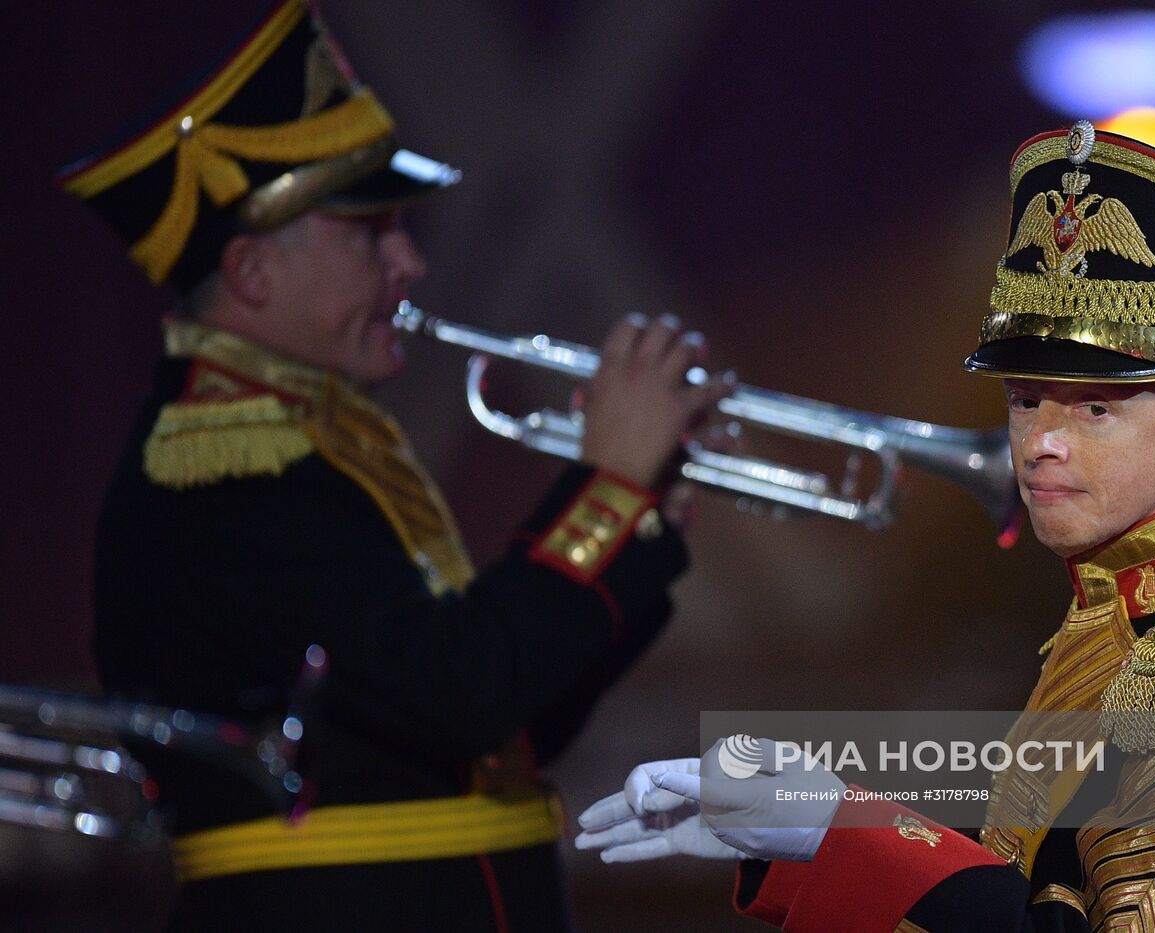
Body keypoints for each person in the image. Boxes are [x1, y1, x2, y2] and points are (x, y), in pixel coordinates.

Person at [576, 122, 1155, 930]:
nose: (1041, 442)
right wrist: (817, 840)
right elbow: (1030, 881)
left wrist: (840, 833)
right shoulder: (1123, 610)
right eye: (1023, 400)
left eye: (1094, 407)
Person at [60, 2, 728, 929]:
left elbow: (494, 732)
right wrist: (607, 489)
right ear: (252, 273)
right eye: (372, 234)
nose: (411, 260)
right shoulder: (219, 469)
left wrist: (636, 522)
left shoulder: (312, 442)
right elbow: (465, 691)